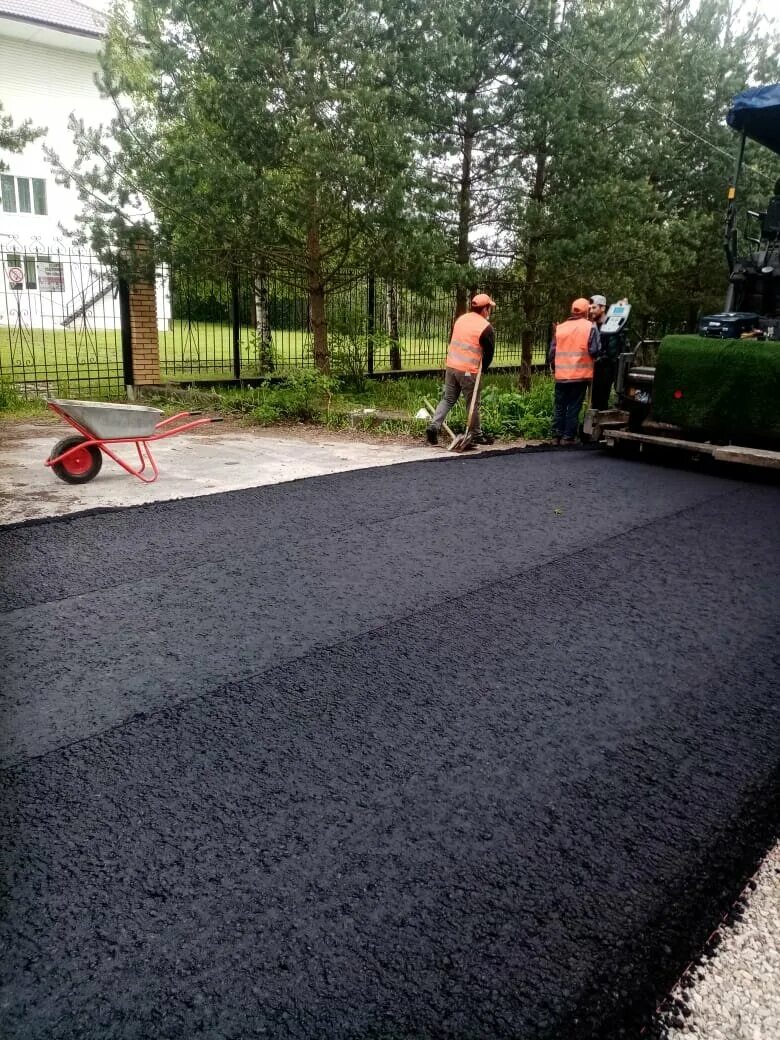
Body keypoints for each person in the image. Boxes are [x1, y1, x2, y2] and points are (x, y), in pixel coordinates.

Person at [426, 293, 496, 446]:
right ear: (484, 309)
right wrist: (482, 369)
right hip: (468, 370)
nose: (489, 311)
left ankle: (434, 426)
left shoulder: (460, 319)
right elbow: (489, 354)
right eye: (489, 308)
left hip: (451, 366)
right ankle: (476, 434)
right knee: (472, 403)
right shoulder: (486, 327)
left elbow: (453, 340)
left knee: (448, 399)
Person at [549, 297, 599, 444]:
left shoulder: (561, 327)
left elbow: (552, 352)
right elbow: (595, 350)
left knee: (559, 405)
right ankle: (568, 437)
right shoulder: (591, 327)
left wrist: (554, 367)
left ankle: (556, 435)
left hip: (561, 375)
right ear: (587, 312)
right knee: (573, 406)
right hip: (580, 375)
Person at [589, 293, 628, 411]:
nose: (591, 311)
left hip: (605, 368)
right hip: (597, 368)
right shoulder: (595, 325)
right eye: (590, 308)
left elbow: (611, 352)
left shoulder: (611, 325)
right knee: (595, 399)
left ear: (603, 308)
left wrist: (597, 360)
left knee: (600, 399)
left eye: (594, 307)